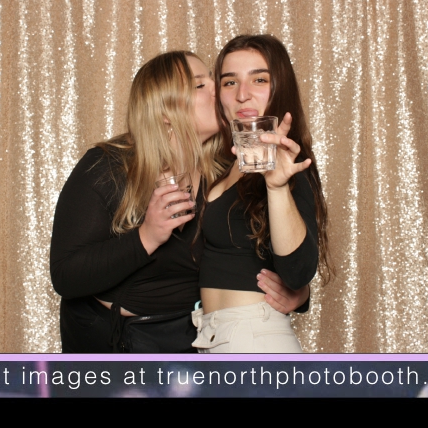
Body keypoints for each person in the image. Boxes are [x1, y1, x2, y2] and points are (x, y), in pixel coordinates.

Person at [49, 51, 305, 352]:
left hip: (192, 340)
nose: (220, 90)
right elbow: (65, 276)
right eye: (200, 85)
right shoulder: (109, 166)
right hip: (113, 342)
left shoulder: (228, 171)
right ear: (164, 110)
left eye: (215, 80)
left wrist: (297, 292)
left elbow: (250, 253)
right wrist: (146, 237)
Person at [193, 34, 329, 353]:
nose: (242, 94)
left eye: (259, 79)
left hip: (253, 339)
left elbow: (298, 272)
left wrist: (277, 187)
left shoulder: (288, 166)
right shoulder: (223, 164)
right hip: (212, 336)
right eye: (229, 82)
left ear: (280, 87)